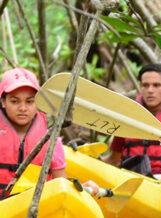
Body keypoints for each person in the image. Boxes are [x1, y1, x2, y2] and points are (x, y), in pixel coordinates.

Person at [0, 66, 99, 198]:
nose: (23, 108)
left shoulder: (51, 142)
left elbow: (62, 187)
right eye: (14, 101)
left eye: (29, 101)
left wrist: (83, 188)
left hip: (36, 211)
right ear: (3, 102)